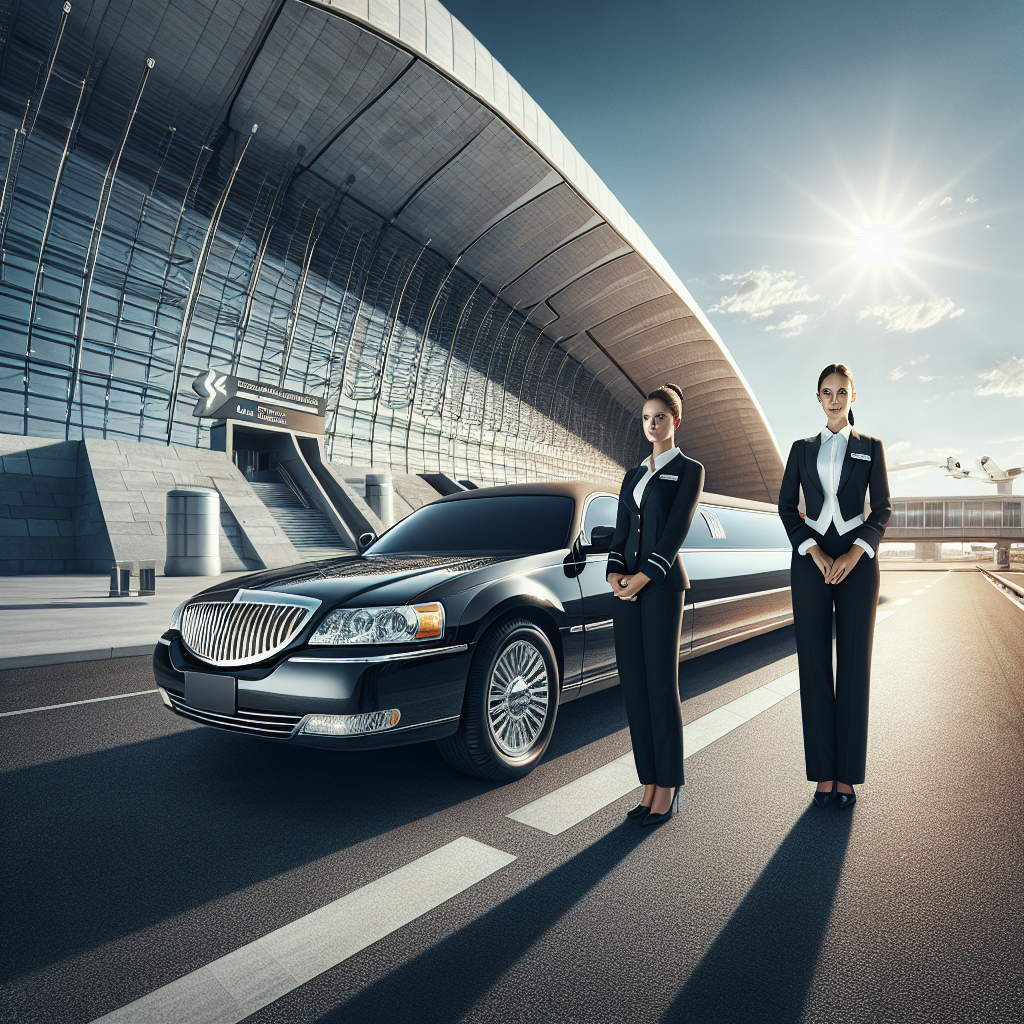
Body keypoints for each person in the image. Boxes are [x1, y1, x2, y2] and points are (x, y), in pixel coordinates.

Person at [778, 363, 891, 810]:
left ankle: (847, 776)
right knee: (813, 668)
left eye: (842, 391)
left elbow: (881, 509)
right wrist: (818, 553)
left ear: (853, 396)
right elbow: (787, 507)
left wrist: (852, 554)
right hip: (809, 562)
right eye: (826, 392)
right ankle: (823, 776)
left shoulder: (870, 447)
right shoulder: (802, 448)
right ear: (818, 398)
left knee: (853, 668)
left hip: (858, 563)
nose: (834, 399)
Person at [606, 383, 704, 826]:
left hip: (662, 588)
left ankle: (669, 786)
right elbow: (620, 531)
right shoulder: (632, 476)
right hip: (625, 590)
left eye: (660, 417)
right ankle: (648, 783)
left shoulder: (689, 470)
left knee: (662, 688)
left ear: (675, 421)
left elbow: (676, 531)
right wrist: (614, 575)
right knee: (635, 689)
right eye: (646, 418)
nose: (652, 424)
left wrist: (643, 577)